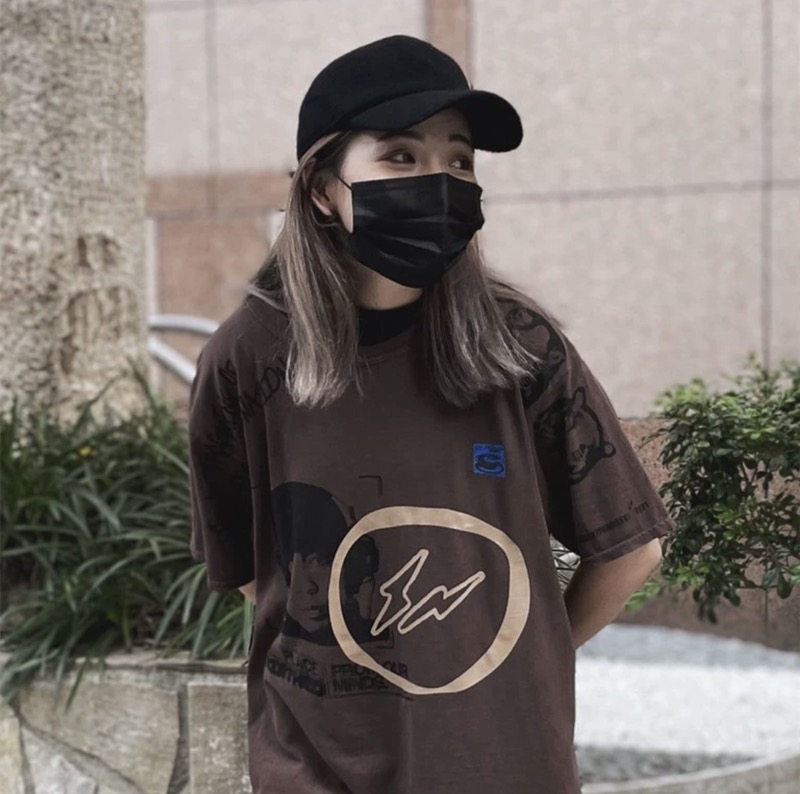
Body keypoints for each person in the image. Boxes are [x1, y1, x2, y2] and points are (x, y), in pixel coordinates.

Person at [188, 34, 672, 794]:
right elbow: (252, 566)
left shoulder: (520, 348)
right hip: (314, 770)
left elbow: (631, 550)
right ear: (322, 189)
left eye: (459, 160)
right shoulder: (247, 357)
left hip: (502, 770)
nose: (439, 182)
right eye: (401, 157)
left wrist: (517, 662)